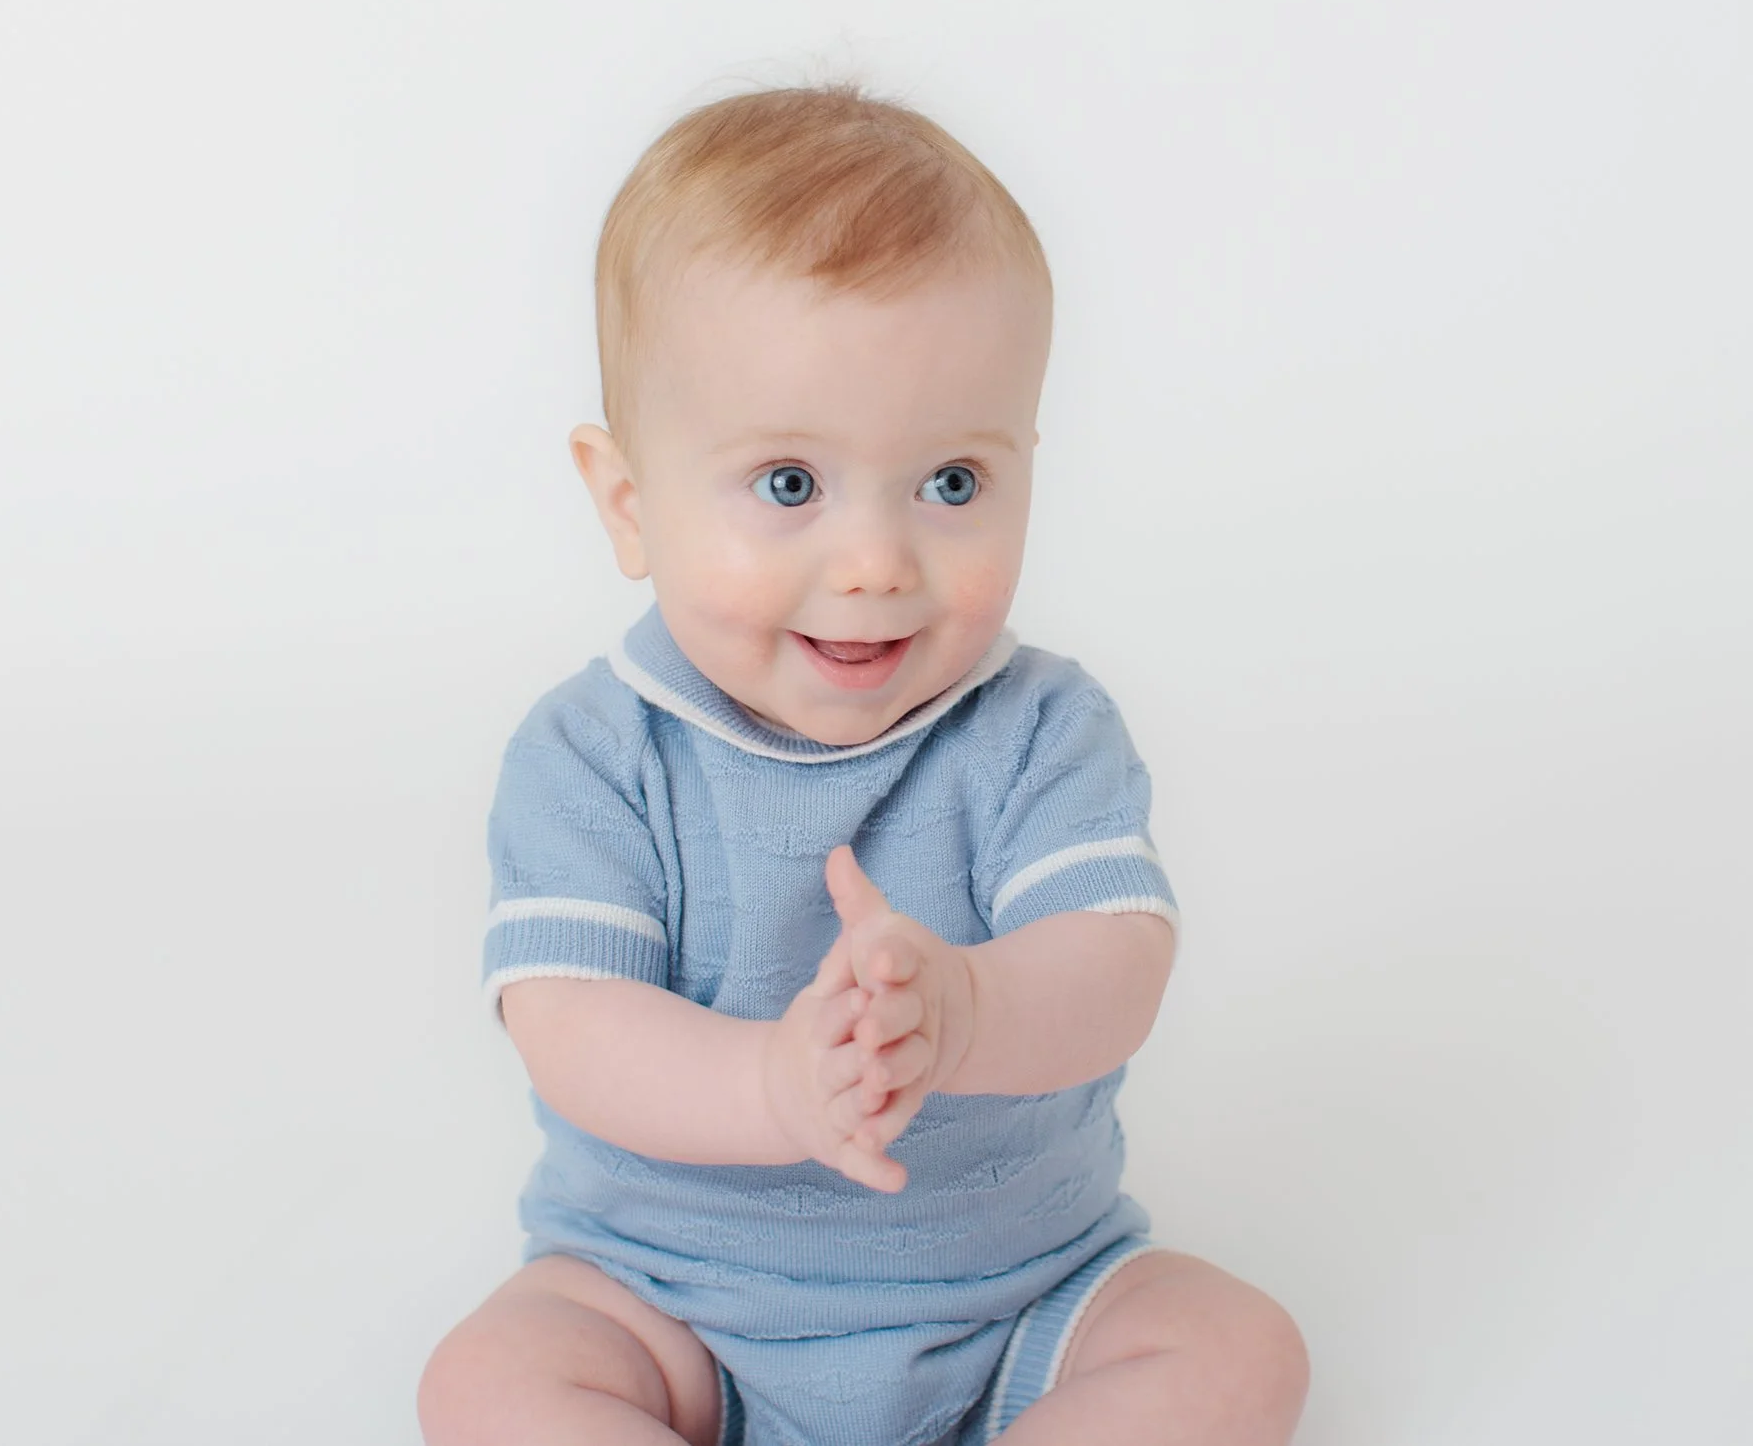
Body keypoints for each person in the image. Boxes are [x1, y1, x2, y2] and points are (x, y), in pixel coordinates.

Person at [419, 84, 1309, 1446]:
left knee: (1241, 1352)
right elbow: (573, 1026)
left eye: (952, 481)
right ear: (628, 502)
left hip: (1022, 1295)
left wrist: (967, 1006)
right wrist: (775, 1085)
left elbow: (1115, 964)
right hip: (672, 1306)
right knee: (491, 1385)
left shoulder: (1039, 730)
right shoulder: (593, 756)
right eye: (790, 484)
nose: (879, 561)